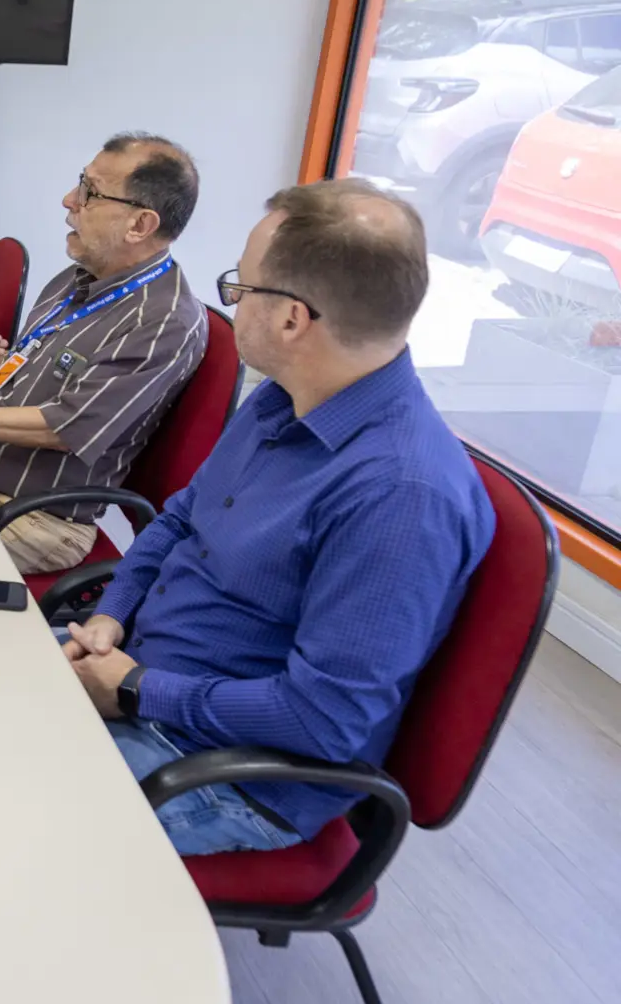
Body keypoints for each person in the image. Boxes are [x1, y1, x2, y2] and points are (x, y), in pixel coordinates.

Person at [63, 179, 495, 856]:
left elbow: (323, 720)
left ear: (292, 318)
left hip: (220, 775)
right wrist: (110, 614)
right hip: (138, 676)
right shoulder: (285, 398)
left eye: (242, 287)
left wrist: (139, 690)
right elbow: (179, 523)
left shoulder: (400, 496)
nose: (232, 302)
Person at [0, 133, 208, 576]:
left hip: (34, 515)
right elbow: (55, 384)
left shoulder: (163, 321)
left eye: (89, 192)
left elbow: (67, 427)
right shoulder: (77, 277)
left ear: (140, 225)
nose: (68, 200)